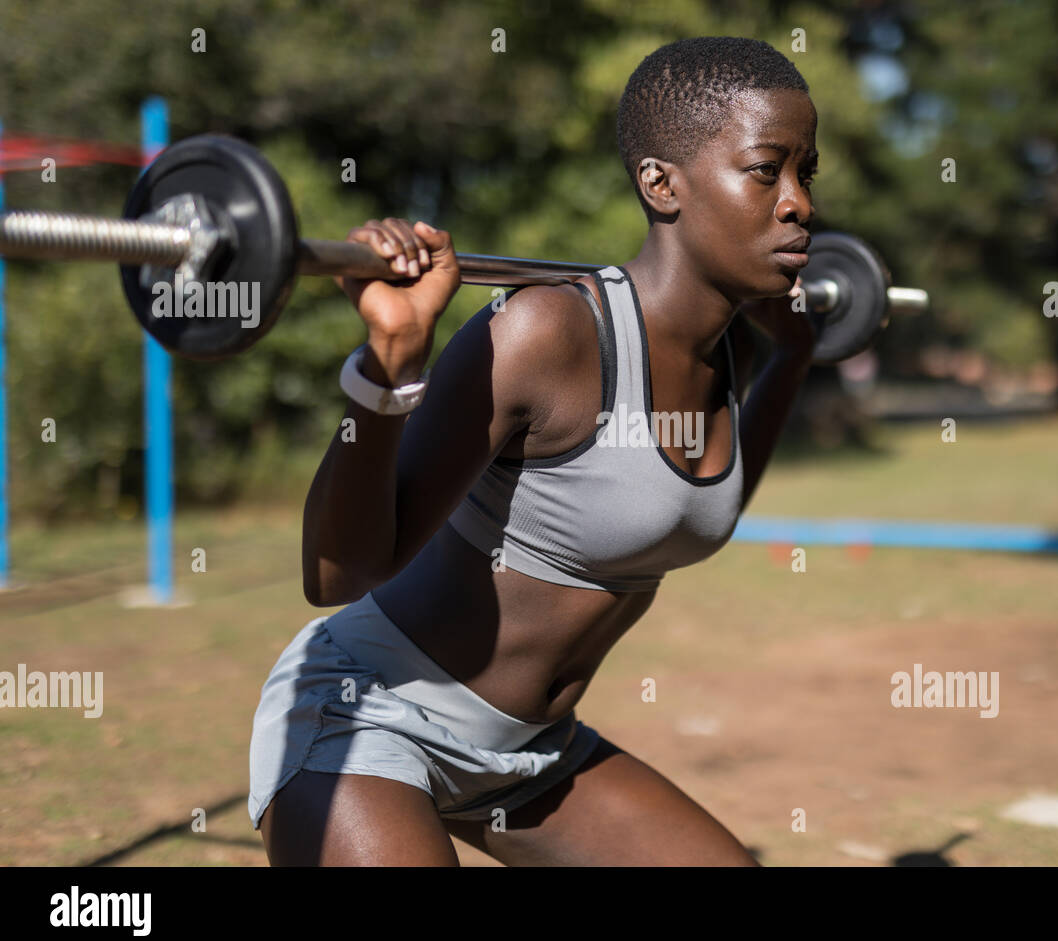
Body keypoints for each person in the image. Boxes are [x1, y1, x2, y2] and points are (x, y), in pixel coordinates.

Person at [249, 35, 820, 866]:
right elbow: (337, 574)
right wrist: (390, 366)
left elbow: (714, 502)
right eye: (767, 170)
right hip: (369, 719)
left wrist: (795, 357)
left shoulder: (730, 356)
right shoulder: (546, 333)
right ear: (661, 183)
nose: (799, 202)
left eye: (809, 172)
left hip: (535, 755)